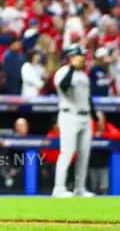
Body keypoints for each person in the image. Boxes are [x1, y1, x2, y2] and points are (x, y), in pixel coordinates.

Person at [53, 45, 94, 197]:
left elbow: (87, 98)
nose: (83, 58)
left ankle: (80, 188)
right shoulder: (62, 72)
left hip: (85, 116)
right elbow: (64, 87)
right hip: (69, 115)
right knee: (67, 152)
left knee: (84, 154)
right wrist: (71, 67)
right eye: (80, 55)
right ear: (71, 57)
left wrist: (96, 116)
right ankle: (59, 188)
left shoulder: (83, 75)